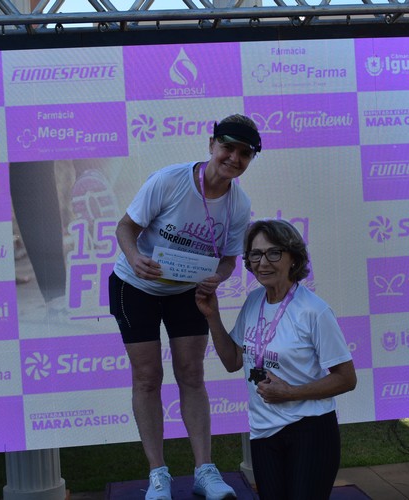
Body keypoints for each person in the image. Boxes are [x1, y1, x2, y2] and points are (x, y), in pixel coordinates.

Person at [109, 114, 261, 500]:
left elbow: (228, 259)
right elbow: (125, 228)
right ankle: (158, 474)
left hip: (186, 290)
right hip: (135, 285)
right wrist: (135, 257)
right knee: (147, 377)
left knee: (192, 374)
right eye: (228, 147)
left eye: (245, 154)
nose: (234, 158)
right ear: (212, 144)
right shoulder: (169, 180)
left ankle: (204, 472)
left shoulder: (238, 205)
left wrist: (219, 277)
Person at [195, 219, 358, 500]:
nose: (263, 262)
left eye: (273, 253)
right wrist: (212, 316)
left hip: (310, 430)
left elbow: (346, 378)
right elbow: (233, 360)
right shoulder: (254, 301)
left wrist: (290, 392)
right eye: (255, 254)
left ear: (292, 257)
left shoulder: (313, 311)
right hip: (263, 432)